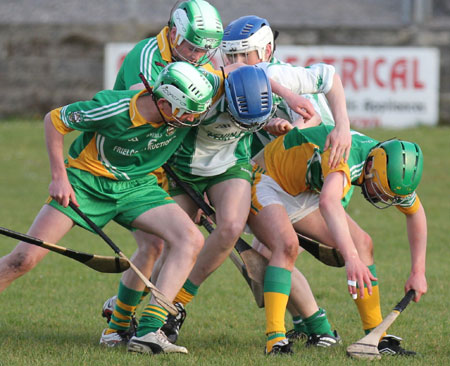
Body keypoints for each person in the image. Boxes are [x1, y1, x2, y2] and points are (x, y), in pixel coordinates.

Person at [0, 61, 215, 356]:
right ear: (165, 103)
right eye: (189, 112)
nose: (195, 118)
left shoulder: (183, 112)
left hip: (137, 186)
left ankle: (149, 331)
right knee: (23, 259)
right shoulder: (113, 108)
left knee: (188, 239)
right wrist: (59, 178)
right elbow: (54, 120)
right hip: (85, 184)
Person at [219, 15, 352, 354]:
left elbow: (327, 82)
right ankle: (311, 326)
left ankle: (316, 327)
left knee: (277, 255)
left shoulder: (278, 74)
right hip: (281, 180)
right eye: (229, 56)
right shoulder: (235, 78)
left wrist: (342, 126)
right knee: (276, 256)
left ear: (265, 51)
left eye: (242, 56)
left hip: (319, 177)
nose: (234, 64)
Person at [249, 123, 426, 356]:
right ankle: (275, 340)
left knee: (363, 243)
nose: (382, 198)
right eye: (380, 192)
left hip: (301, 189)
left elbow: (416, 214)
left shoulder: (390, 168)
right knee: (287, 246)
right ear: (370, 166)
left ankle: (375, 335)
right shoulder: (347, 159)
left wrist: (418, 271)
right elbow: (328, 203)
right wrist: (351, 258)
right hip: (267, 179)